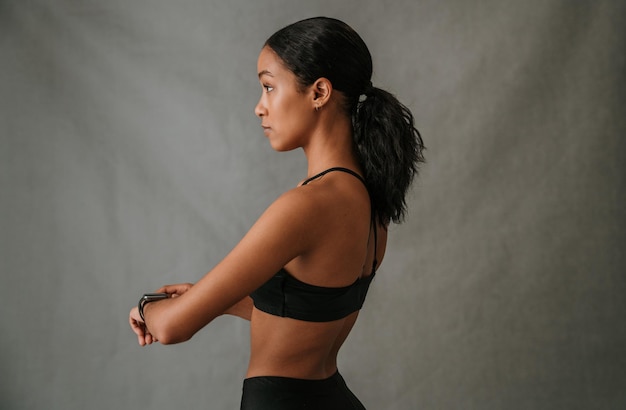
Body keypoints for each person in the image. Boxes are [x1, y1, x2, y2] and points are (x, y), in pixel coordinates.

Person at [129, 16, 425, 409]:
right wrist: (210, 298)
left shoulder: (303, 207)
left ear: (319, 91)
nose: (259, 107)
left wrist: (148, 309)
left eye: (269, 87)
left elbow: (171, 327)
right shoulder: (372, 204)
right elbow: (312, 314)